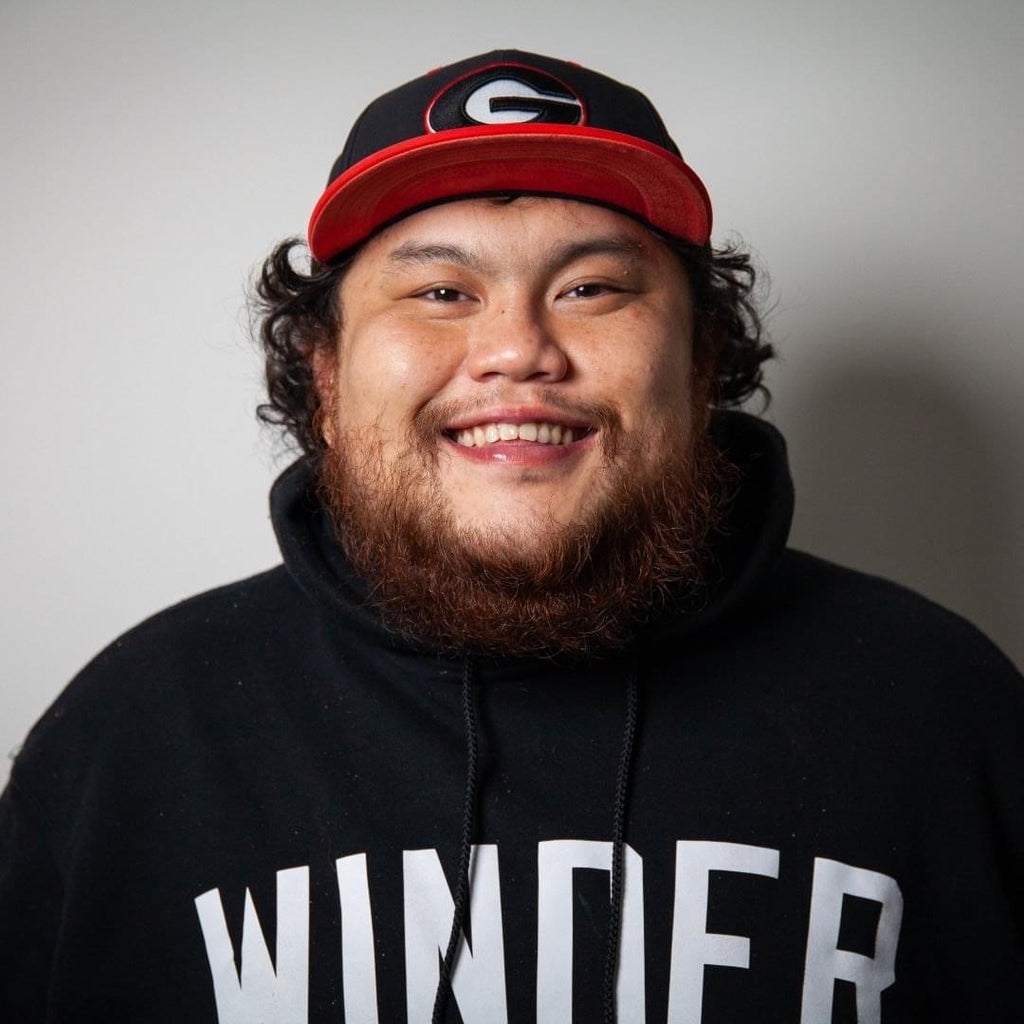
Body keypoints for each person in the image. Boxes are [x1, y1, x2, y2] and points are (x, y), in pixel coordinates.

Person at [1, 48, 1021, 1024]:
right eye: (441, 292)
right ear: (326, 377)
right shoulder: (133, 738)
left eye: (590, 288)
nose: (517, 349)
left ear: (702, 362)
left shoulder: (940, 710)